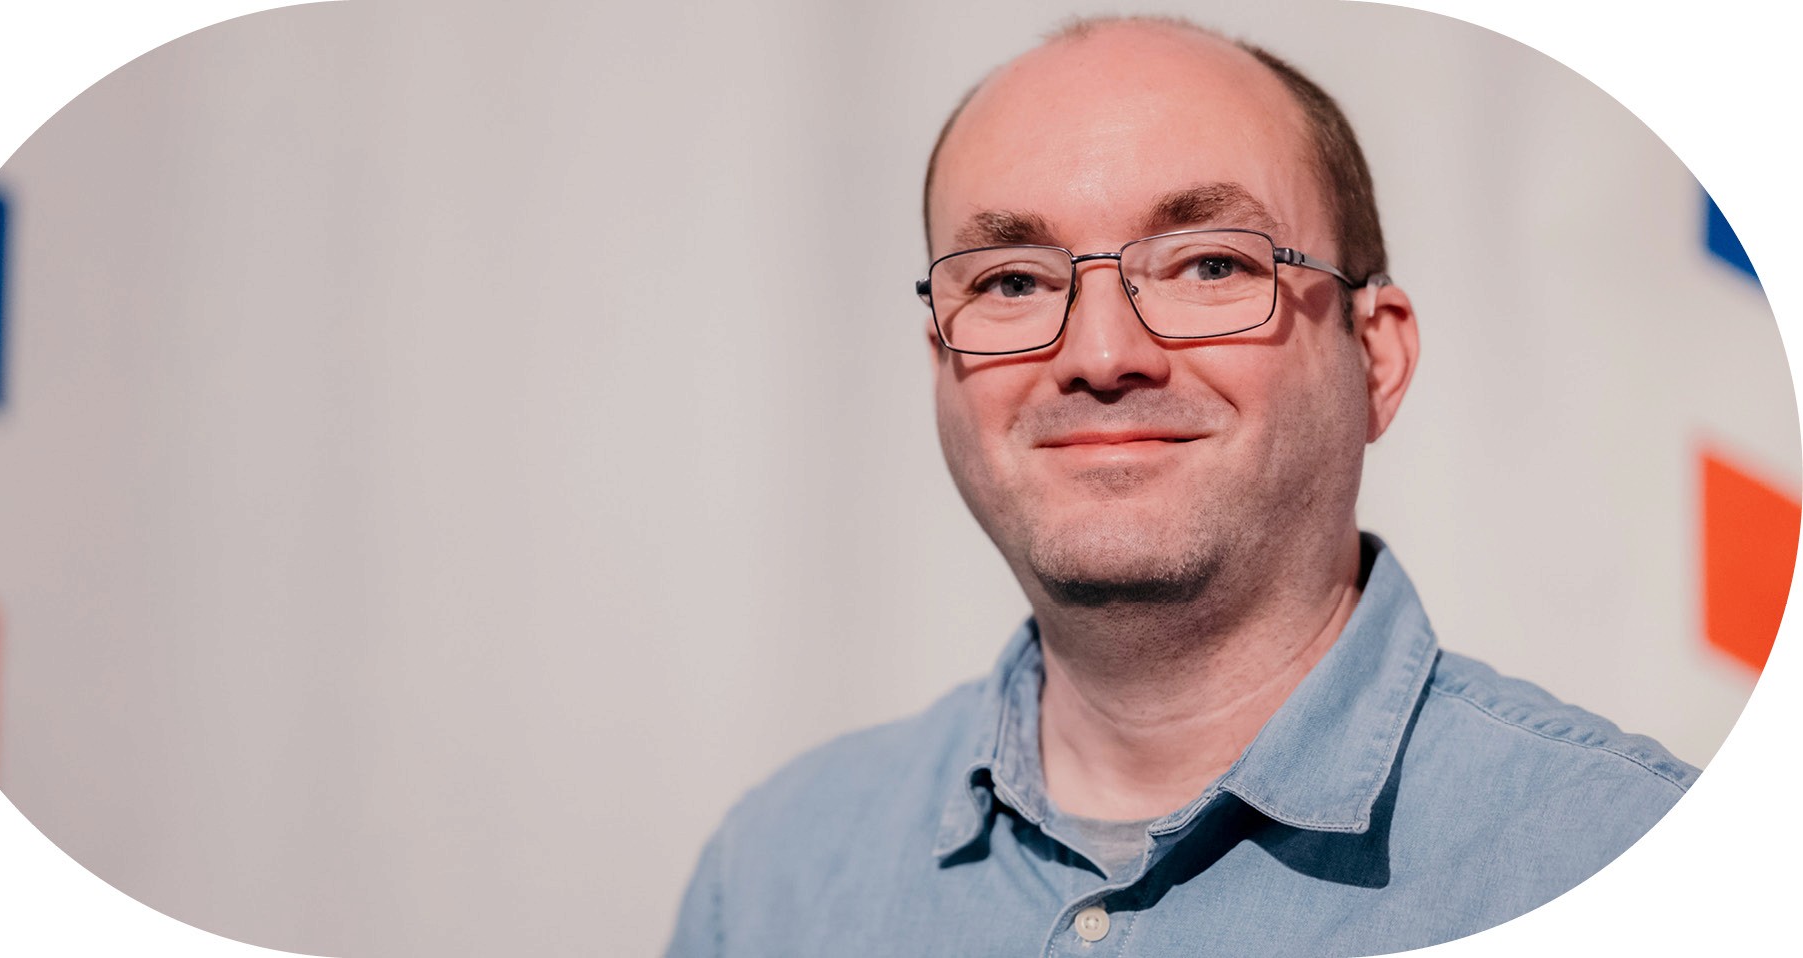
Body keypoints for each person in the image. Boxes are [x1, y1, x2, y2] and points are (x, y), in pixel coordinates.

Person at [665, 15, 1694, 957]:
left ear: (1376, 359)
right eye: (1012, 281)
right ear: (941, 364)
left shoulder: (1636, 866)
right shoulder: (772, 882)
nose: (1103, 353)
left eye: (1209, 265)